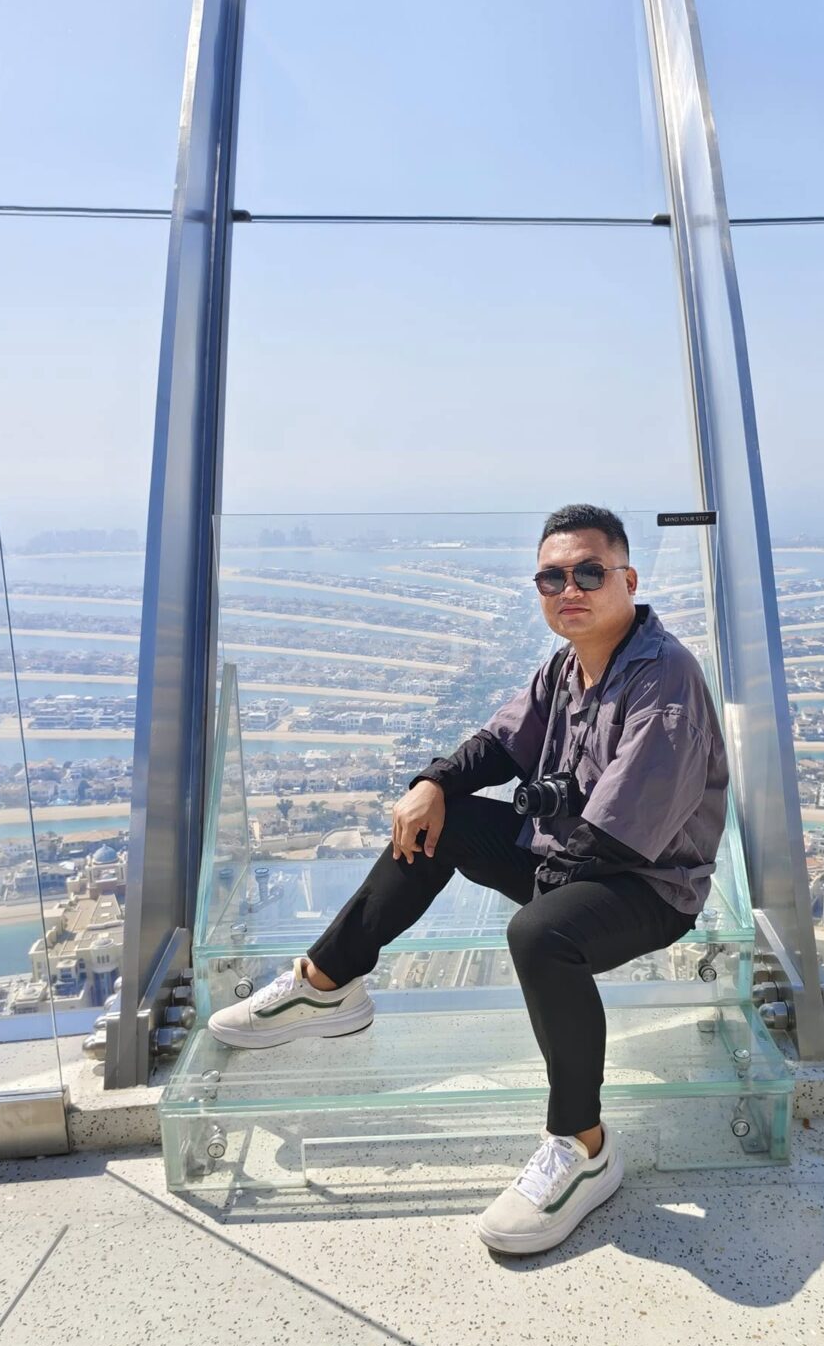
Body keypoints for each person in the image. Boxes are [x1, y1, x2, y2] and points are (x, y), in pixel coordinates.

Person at [208, 505, 728, 1255]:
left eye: (589, 572)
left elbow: (621, 831)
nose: (569, 588)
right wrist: (433, 784)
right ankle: (328, 985)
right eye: (552, 576)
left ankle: (583, 1149)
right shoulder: (566, 665)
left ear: (628, 578)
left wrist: (533, 863)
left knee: (542, 934)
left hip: (648, 886)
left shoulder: (663, 676)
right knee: (438, 820)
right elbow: (498, 743)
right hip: (571, 859)